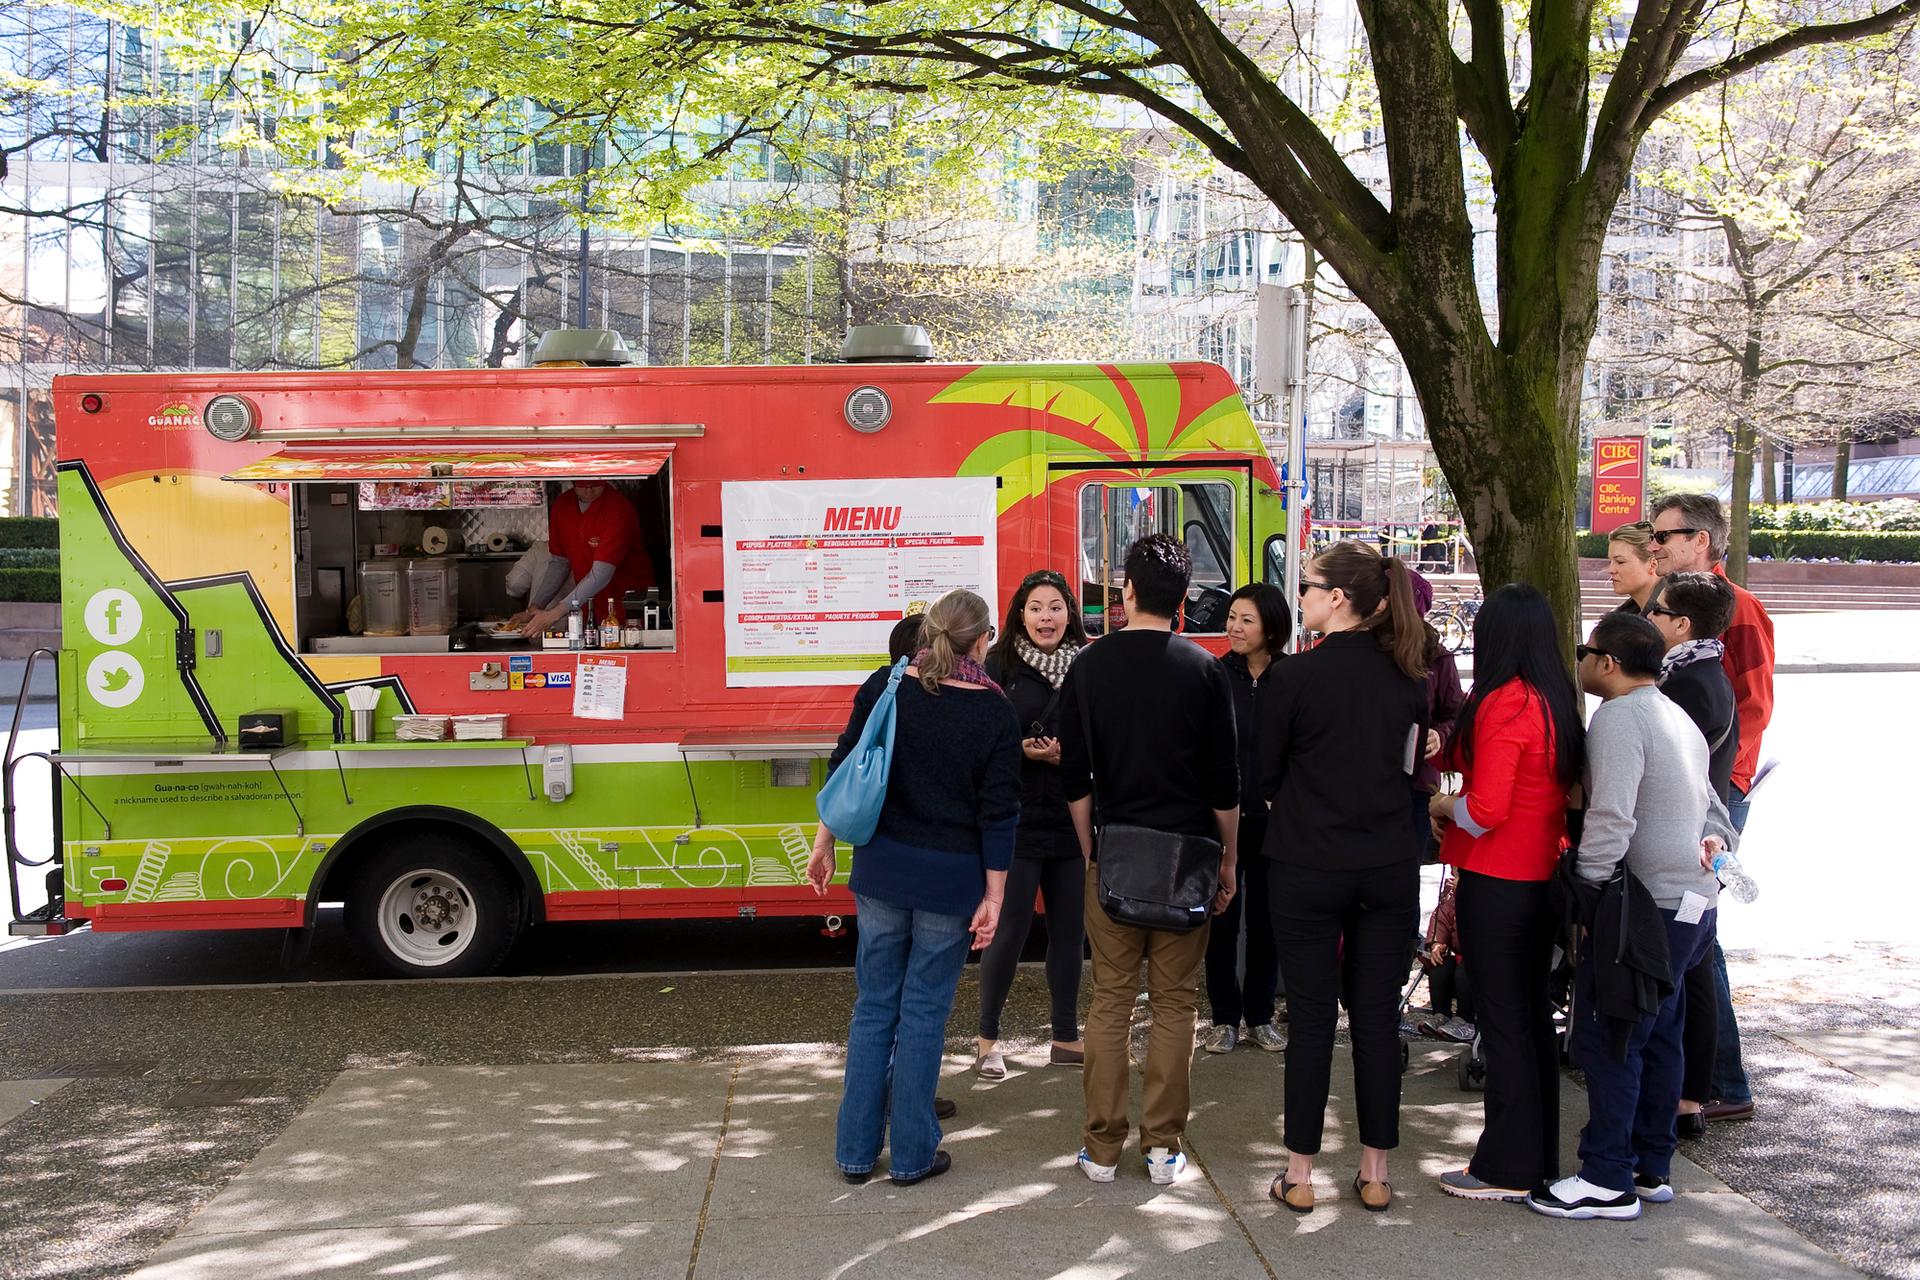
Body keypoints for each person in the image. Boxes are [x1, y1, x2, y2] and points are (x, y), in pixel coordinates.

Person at [807, 589, 1021, 1187]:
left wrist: (824, 842)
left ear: (928, 636)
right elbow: (998, 814)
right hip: (949, 882)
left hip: (879, 870)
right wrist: (996, 897)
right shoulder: (994, 712)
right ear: (984, 641)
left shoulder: (888, 685)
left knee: (874, 1006)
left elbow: (846, 764)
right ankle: (911, 1155)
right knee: (924, 1011)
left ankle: (853, 1152)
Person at [1526, 613, 1733, 1221]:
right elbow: (1715, 805)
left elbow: (1611, 818)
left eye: (1589, 653)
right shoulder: (1676, 716)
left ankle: (1605, 1178)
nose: (1583, 664)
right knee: (1660, 1033)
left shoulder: (1617, 719)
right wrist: (1718, 845)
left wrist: (1586, 894)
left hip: (1644, 909)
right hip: (1694, 904)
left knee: (1607, 1035)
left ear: (1609, 663)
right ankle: (1649, 1164)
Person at [1058, 534, 1239, 1188]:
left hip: (1115, 856)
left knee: (1109, 1001)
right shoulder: (1205, 670)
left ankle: (1101, 1150)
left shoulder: (1088, 668)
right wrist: (1229, 862)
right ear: (1185, 600)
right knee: (1174, 1005)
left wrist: (1090, 851)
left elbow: (1074, 778)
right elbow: (1225, 784)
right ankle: (1163, 1149)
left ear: (1125, 590)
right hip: (1189, 861)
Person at [1260, 539, 1428, 1214]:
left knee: (1309, 1019)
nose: (1298, 596)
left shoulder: (1291, 677)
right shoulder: (1408, 679)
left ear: (1337, 598)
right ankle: (1376, 1172)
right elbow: (1411, 770)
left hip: (1306, 862)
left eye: (1306, 586)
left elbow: (1265, 774)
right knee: (1377, 1020)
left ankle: (1299, 1174)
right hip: (1386, 862)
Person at [1428, 584, 1584, 1203]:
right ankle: (1532, 1156)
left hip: (1497, 878)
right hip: (1538, 876)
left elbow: (1487, 808)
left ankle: (1506, 1166)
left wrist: (1443, 804)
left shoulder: (1504, 703)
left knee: (1504, 1021)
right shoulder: (1552, 701)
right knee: (1529, 1021)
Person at [1650, 493, 1773, 1125]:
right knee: (1693, 938)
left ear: (1702, 541)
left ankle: (1720, 1081)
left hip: (1715, 798)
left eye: (1665, 536)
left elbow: (1751, 707)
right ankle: (1704, 1080)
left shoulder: (1738, 610)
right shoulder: (1678, 602)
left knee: (1698, 939)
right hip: (1704, 794)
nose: (1655, 546)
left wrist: (1729, 790)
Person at [976, 570, 1088, 1079]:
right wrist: (1018, 751)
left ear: (1071, 612)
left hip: (1071, 819)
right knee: (1009, 932)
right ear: (1020, 613)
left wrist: (1072, 756)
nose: (1047, 617)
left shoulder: (1089, 664)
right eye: (1037, 607)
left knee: (1069, 934)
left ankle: (1065, 1036)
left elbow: (1102, 735)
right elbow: (979, 741)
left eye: (1056, 606)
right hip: (1016, 822)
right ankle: (987, 1040)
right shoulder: (998, 665)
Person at [1646, 571, 1740, 1139]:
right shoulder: (1696, 673)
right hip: (1696, 842)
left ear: (1682, 625)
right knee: (1691, 972)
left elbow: (1675, 774)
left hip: (1687, 848)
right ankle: (1685, 1099)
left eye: (1657, 612)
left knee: (1687, 978)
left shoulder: (1690, 682)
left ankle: (1684, 1101)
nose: (1649, 618)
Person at [1204, 583, 1293, 1055]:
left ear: (1272, 627)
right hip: (1222, 819)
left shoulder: (1293, 676)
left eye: (1246, 620)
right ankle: (1223, 1018)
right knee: (1221, 918)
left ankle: (1260, 1016)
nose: (1234, 628)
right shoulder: (1215, 675)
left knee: (1267, 921)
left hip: (1276, 821)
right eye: (1232, 617)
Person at [515, 480, 656, 636]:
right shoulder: (563, 505)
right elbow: (559, 564)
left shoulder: (618, 509)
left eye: (595, 486)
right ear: (573, 483)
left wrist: (554, 614)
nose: (589, 492)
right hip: (587, 602)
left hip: (624, 602)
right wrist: (534, 608)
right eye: (582, 487)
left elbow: (601, 574)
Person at [1409, 570, 1467, 862]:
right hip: (1364, 788)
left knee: (1404, 881)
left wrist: (1439, 735)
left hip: (1417, 786)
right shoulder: (1363, 652)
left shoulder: (1438, 658)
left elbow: (1457, 716)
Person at [1605, 522, 1663, 615]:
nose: (1611, 570)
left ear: (1653, 565)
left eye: (1620, 562)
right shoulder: (1622, 620)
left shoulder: (1672, 615)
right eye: (1610, 561)